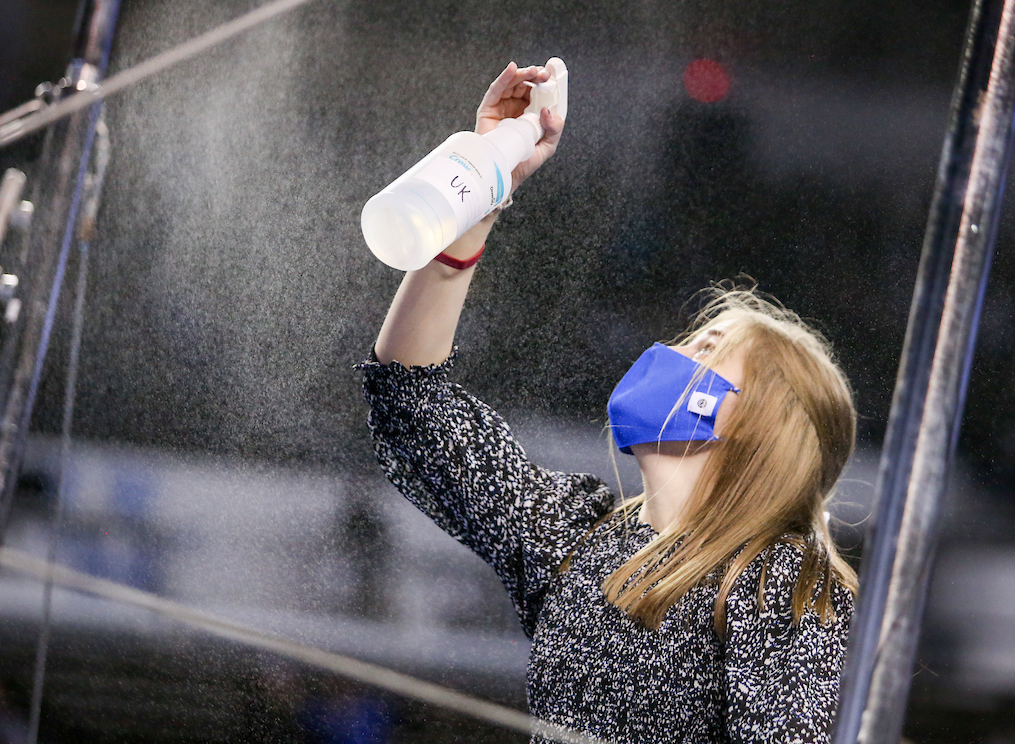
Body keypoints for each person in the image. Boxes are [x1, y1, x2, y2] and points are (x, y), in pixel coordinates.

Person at [359, 61, 858, 744]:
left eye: (705, 346)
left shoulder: (781, 580)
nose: (671, 351)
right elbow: (412, 405)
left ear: (754, 420)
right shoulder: (582, 541)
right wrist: (479, 193)